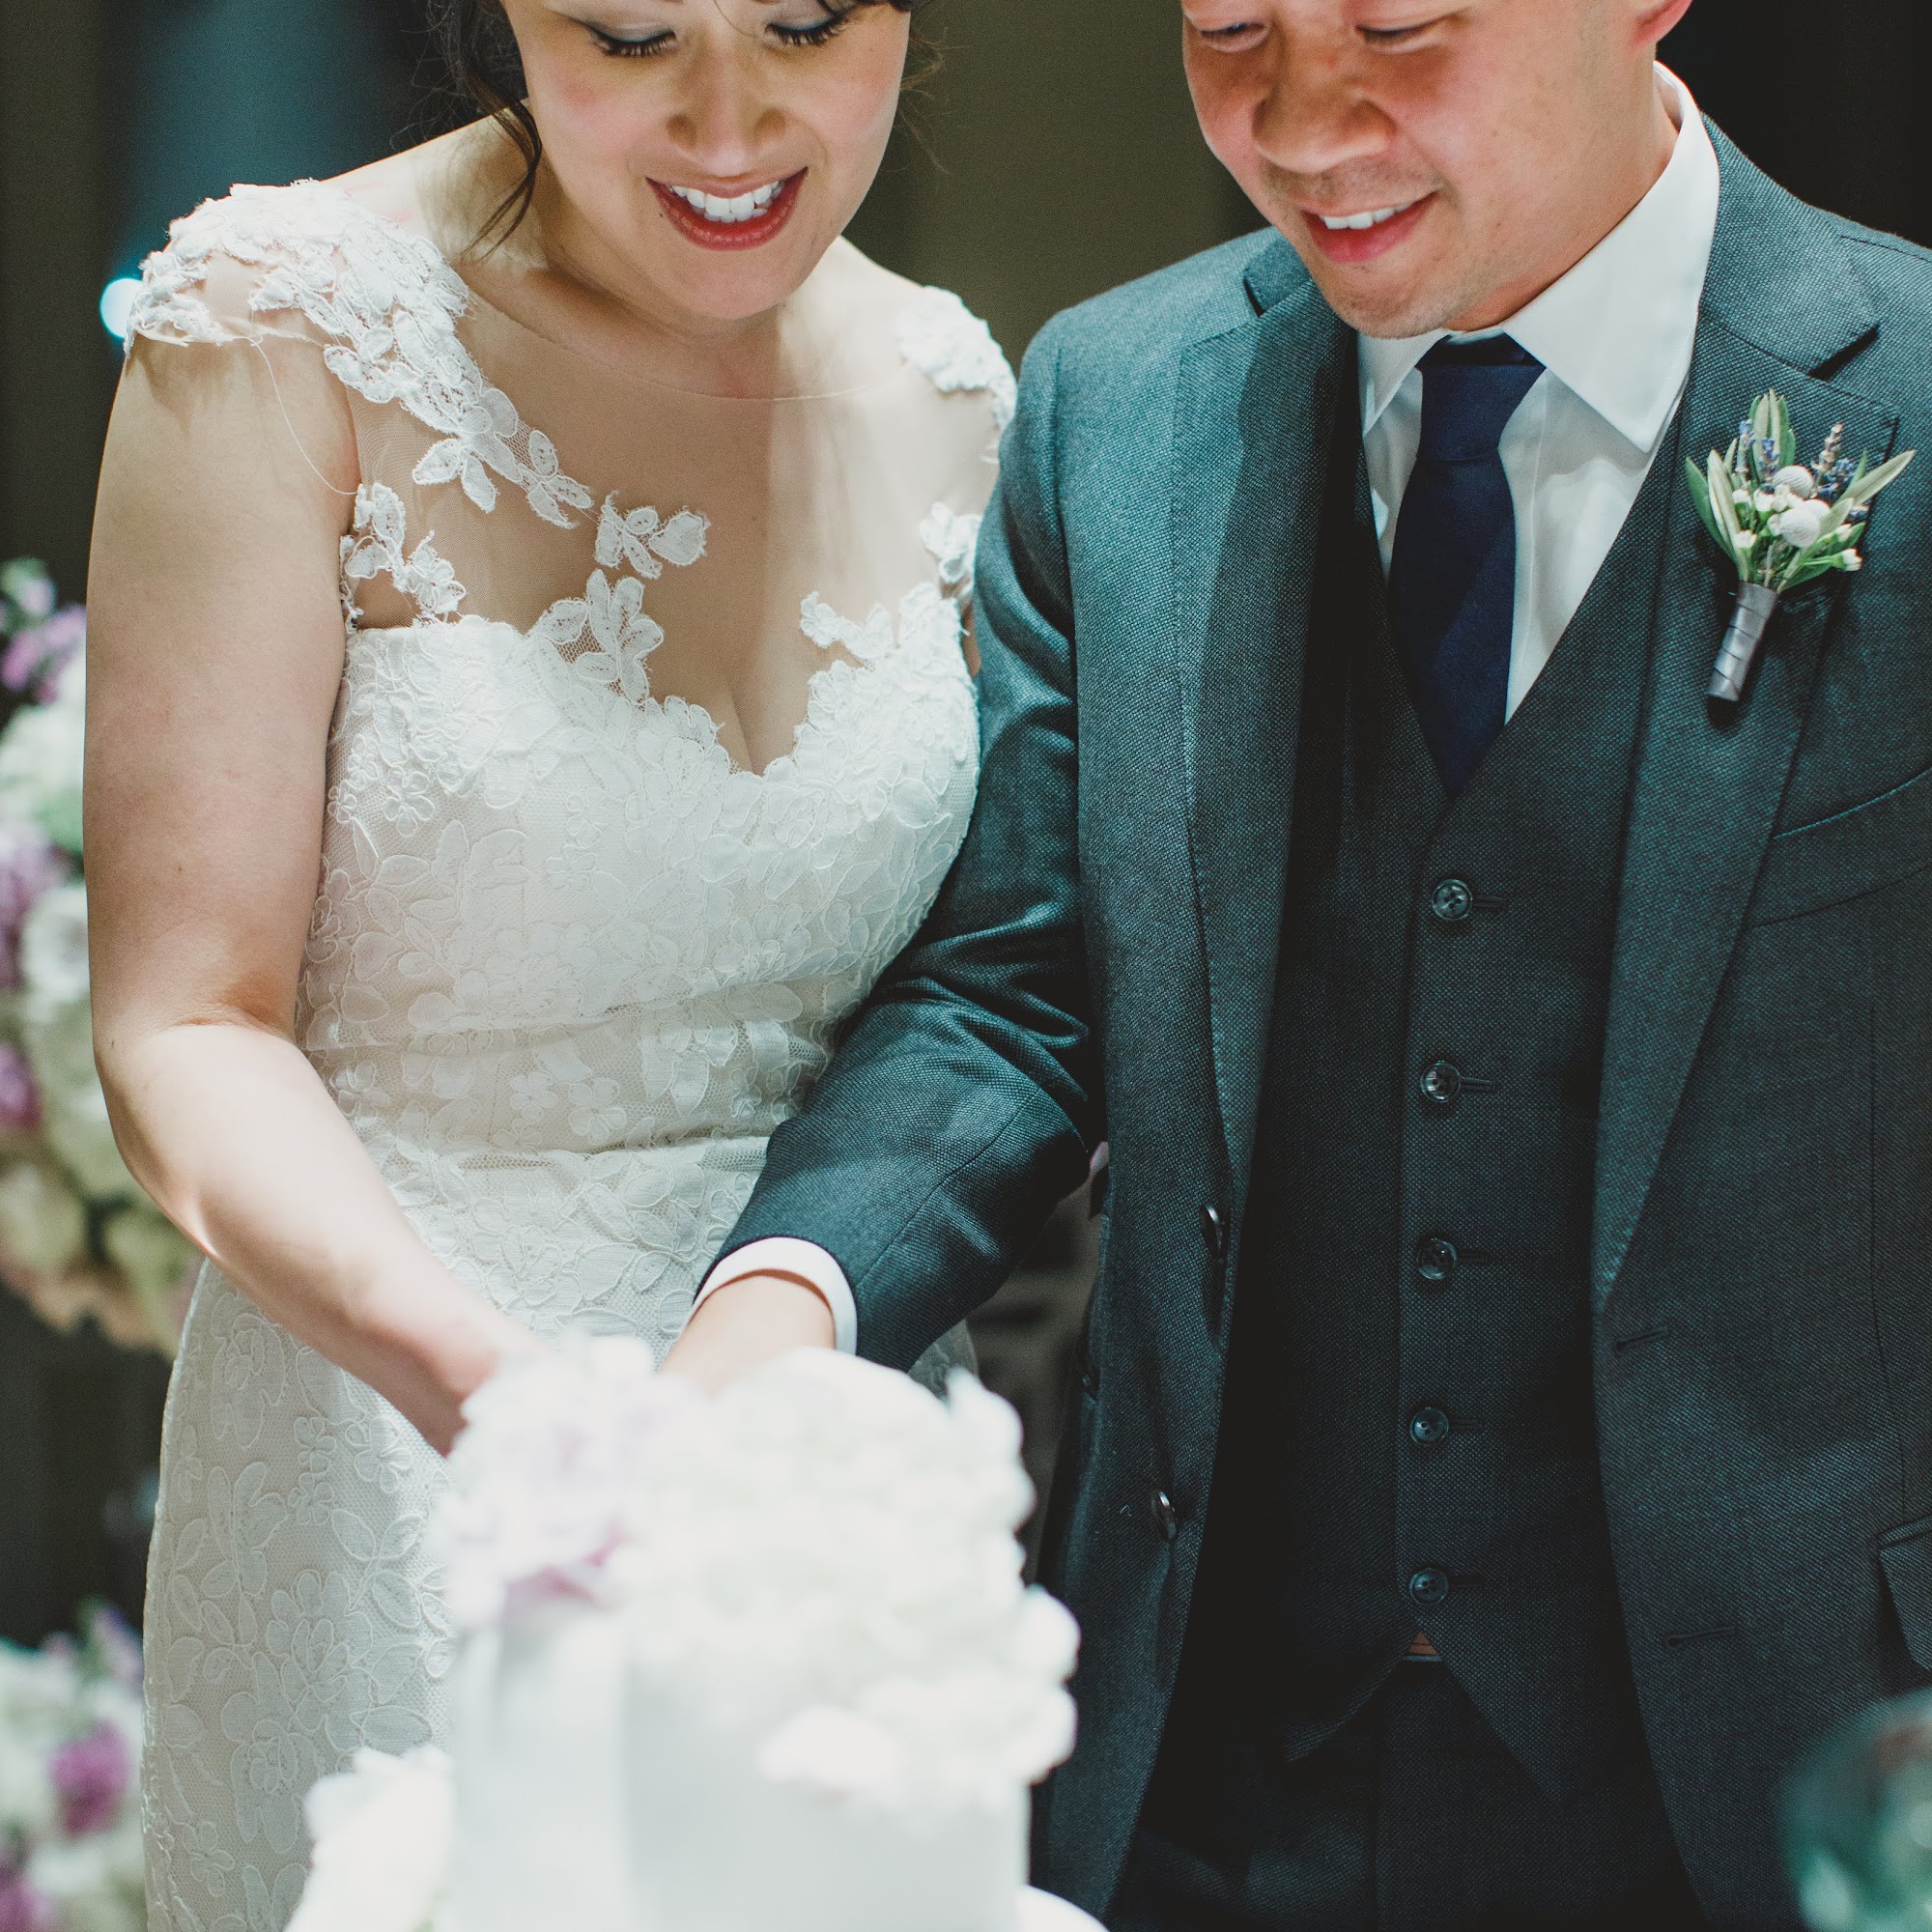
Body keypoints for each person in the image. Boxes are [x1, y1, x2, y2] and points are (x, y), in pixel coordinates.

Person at [668, 0, 1932, 1923]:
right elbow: (1013, 989)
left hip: (1773, 1765)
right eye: (1230, 27)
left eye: (1398, 25)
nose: (1302, 120)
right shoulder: (1118, 404)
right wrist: (786, 1298)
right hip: (1209, 1772)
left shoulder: (1903, 388)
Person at [85, 1, 1010, 1923]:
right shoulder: (278, 326)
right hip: (391, 1423)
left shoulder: (957, 396)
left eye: (805, 25)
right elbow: (188, 1021)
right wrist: (497, 1404)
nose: (729, 122)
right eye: (633, 35)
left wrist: (768, 1398)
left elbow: (989, 1010)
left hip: (813, 1457)